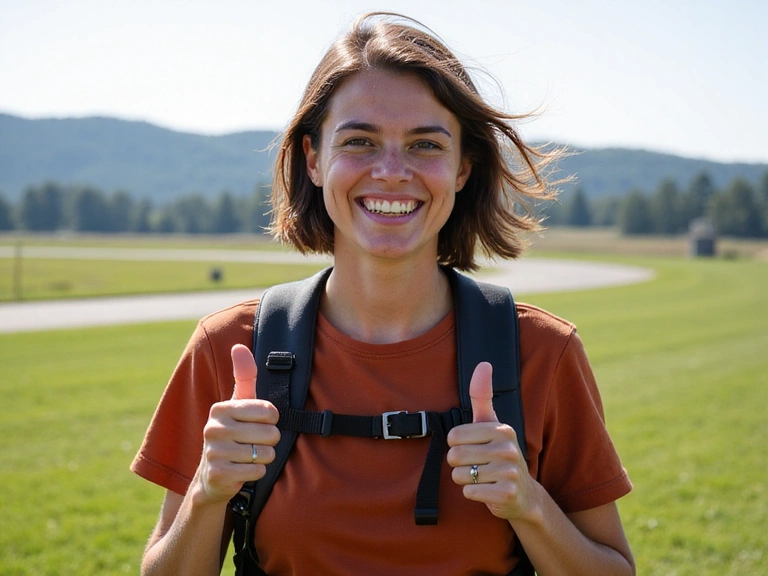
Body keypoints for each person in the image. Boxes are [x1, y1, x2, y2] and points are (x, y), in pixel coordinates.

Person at [132, 12, 635, 576]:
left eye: (425, 144)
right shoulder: (231, 349)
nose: (392, 171)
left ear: (463, 167)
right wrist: (208, 491)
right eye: (359, 141)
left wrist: (529, 506)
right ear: (314, 159)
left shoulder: (541, 352)